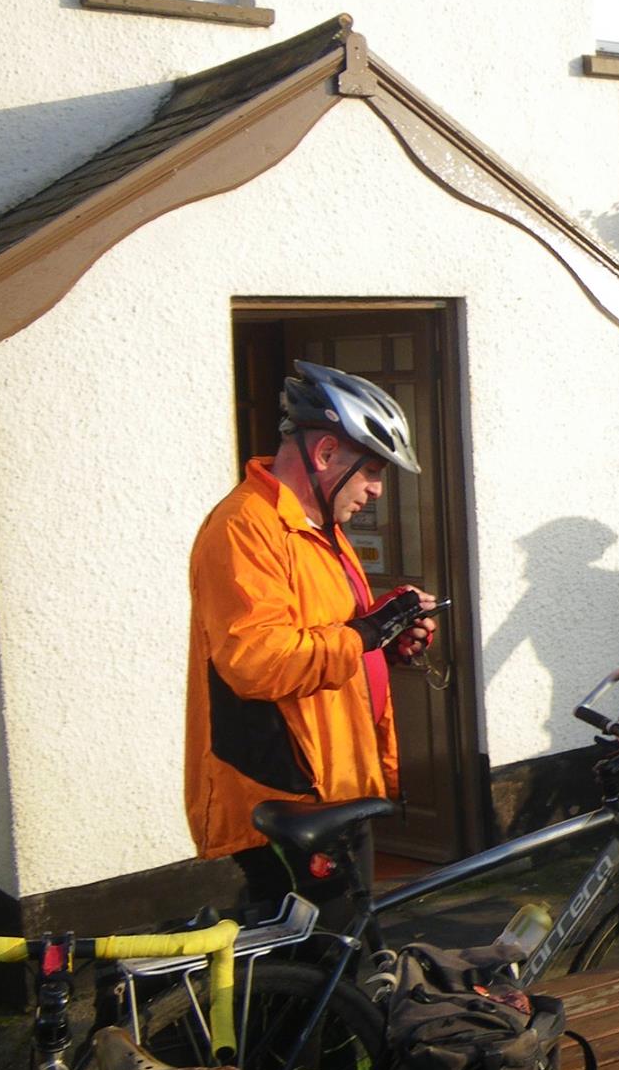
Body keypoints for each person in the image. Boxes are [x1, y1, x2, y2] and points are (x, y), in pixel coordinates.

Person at [185, 360, 439, 912]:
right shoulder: (244, 528)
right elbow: (258, 661)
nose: (375, 490)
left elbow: (329, 641)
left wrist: (387, 643)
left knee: (342, 970)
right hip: (286, 794)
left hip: (339, 784)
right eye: (372, 470)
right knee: (321, 975)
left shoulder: (320, 531)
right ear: (325, 454)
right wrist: (365, 633)